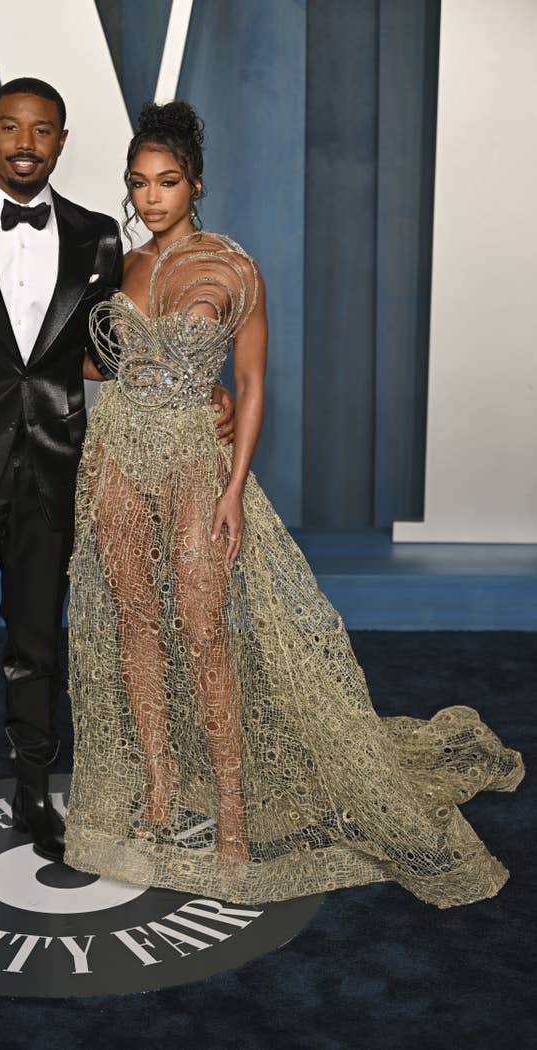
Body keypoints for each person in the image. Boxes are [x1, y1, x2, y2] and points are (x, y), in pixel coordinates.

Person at [63, 100, 524, 908]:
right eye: (138, 183)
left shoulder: (234, 268)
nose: (151, 197)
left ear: (195, 184)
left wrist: (236, 486)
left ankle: (236, 805)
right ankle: (164, 794)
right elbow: (103, 363)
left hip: (196, 468)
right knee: (134, 623)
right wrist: (123, 374)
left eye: (166, 182)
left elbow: (250, 384)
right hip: (116, 459)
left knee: (205, 636)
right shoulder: (121, 265)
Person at [0, 75, 237, 881]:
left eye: (41, 131)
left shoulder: (94, 239)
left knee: (39, 649)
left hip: (56, 474)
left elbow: (113, 348)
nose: (24, 143)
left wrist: (197, 382)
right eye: (10, 127)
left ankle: (36, 799)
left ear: (61, 142)